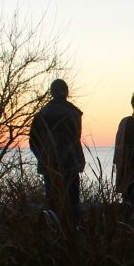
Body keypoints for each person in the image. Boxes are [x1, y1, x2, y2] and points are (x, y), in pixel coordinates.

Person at [28, 78, 85, 220]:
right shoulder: (74, 113)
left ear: (51, 92)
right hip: (70, 163)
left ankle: (54, 230)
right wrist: (79, 160)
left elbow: (33, 142)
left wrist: (43, 159)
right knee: (72, 201)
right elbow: (76, 139)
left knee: (52, 201)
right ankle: (73, 231)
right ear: (66, 92)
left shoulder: (41, 114)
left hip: (49, 164)